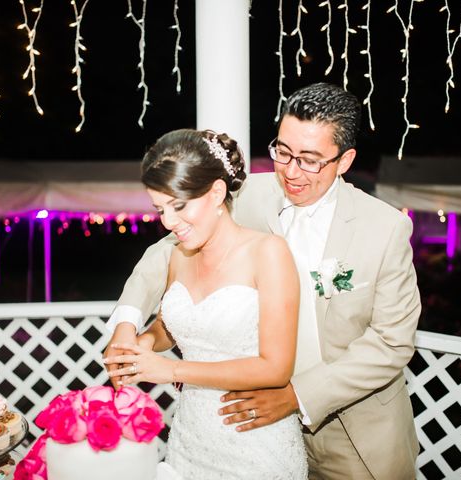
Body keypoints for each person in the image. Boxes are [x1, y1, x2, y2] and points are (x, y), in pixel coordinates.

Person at [105, 82, 421, 479]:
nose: (290, 172)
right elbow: (164, 252)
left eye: (309, 160)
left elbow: (392, 341)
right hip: (245, 422)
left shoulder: (384, 228)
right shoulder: (245, 194)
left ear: (344, 161)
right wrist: (128, 322)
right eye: (283, 151)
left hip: (350, 430)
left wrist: (297, 397)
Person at [104, 129, 308, 479]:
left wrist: (170, 371)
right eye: (160, 208)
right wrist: (146, 342)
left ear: (216, 192)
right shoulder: (180, 255)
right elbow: (174, 323)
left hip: (255, 442)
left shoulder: (268, 253)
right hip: (189, 441)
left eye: (179, 205)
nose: (168, 221)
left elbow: (275, 368)